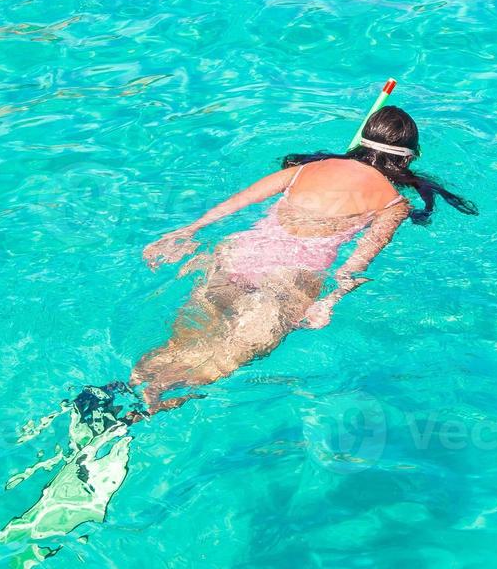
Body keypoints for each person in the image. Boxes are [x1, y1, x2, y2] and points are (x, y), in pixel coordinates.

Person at [121, 105, 477, 418]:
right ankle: (143, 411)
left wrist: (188, 230)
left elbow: (239, 202)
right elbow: (356, 263)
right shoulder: (392, 204)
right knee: (223, 358)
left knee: (180, 342)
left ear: (363, 141)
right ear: (409, 158)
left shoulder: (304, 170)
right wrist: (329, 301)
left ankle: (124, 388)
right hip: (288, 278)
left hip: (237, 256)